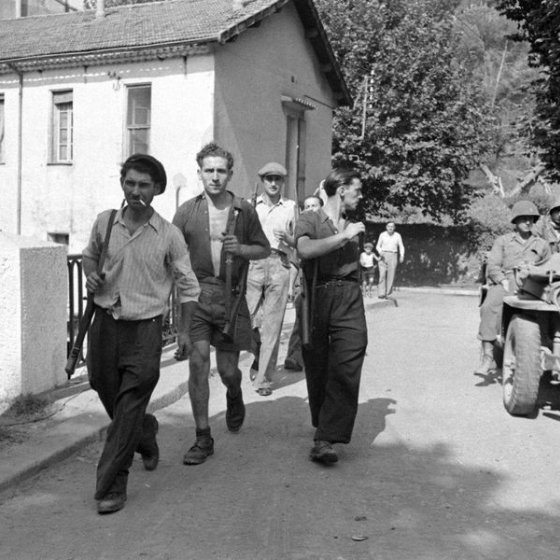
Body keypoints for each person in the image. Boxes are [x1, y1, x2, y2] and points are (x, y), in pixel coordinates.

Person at [83, 154, 200, 515]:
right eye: (130, 183)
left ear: (158, 189)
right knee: (107, 392)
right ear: (123, 184)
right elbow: (89, 257)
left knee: (129, 402)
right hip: (104, 325)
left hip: (145, 331)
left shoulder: (169, 235)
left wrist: (183, 331)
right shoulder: (105, 223)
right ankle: (145, 432)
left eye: (144, 185)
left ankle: (112, 485)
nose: (136, 191)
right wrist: (90, 273)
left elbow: (188, 287)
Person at [172, 142, 270, 465]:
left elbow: (264, 249)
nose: (214, 176)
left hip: (232, 297)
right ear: (199, 173)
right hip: (197, 297)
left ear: (230, 174)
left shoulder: (244, 210)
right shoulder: (187, 211)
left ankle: (234, 393)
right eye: (208, 170)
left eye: (221, 171)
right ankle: (203, 437)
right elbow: (170, 256)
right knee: (198, 363)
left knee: (228, 370)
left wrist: (241, 249)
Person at [295, 168, 368, 464]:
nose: (359, 196)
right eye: (357, 190)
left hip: (350, 296)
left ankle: (325, 438)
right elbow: (304, 249)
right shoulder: (311, 218)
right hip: (318, 295)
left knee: (350, 356)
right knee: (317, 362)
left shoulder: (352, 225)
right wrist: (343, 238)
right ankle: (323, 421)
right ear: (341, 189)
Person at [475, 200, 550, 375]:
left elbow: (549, 266)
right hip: (509, 279)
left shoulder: (542, 244)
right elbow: (493, 265)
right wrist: (502, 280)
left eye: (531, 218)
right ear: (515, 221)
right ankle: (488, 357)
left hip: (535, 283)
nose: (527, 222)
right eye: (523, 218)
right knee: (489, 307)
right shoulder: (503, 241)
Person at [246, 162, 297, 396]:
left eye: (278, 179)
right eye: (269, 179)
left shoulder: (291, 207)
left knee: (273, 323)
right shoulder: (251, 206)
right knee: (250, 320)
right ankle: (258, 359)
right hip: (253, 265)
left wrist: (289, 238)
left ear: (283, 182)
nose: (274, 183)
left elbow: (299, 242)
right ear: (263, 181)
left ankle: (264, 377)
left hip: (279, 263)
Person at [284, 194, 324, 372]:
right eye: (307, 206)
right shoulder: (302, 235)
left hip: (323, 286)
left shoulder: (327, 231)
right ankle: (293, 357)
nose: (310, 209)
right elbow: (294, 264)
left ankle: (319, 358)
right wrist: (291, 288)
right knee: (301, 320)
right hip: (304, 286)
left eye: (314, 205)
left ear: (321, 208)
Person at [376, 221, 405, 298]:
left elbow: (401, 246)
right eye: (389, 226)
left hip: (393, 255)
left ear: (394, 228)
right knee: (382, 274)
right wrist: (380, 251)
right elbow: (378, 246)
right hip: (383, 255)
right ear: (386, 227)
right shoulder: (382, 235)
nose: (390, 228)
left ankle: (387, 293)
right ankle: (381, 293)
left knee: (391, 275)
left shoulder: (397, 235)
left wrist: (402, 255)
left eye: (392, 226)